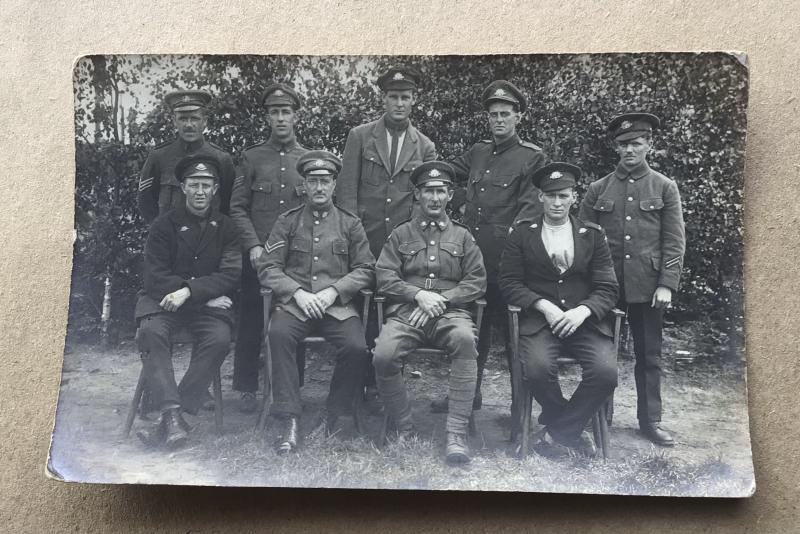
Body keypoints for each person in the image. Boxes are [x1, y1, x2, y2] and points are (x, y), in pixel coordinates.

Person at [433, 80, 546, 438]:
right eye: (493, 114)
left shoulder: (532, 157)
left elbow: (528, 215)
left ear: (518, 116)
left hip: (509, 267)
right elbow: (447, 171)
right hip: (474, 264)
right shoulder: (479, 152)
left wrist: (511, 263)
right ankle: (469, 400)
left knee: (516, 343)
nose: (498, 120)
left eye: (505, 114)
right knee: (475, 336)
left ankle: (519, 413)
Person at [256, 150, 376, 454]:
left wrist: (333, 292)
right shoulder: (287, 222)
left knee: (357, 347)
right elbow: (268, 267)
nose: (319, 187)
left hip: (336, 307)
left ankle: (335, 413)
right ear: (304, 185)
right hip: (296, 305)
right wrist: (297, 292)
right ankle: (289, 418)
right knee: (279, 334)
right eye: (313, 181)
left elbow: (366, 269)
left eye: (325, 181)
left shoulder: (350, 224)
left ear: (335, 184)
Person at [578, 113, 686, 447]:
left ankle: (650, 420)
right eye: (624, 144)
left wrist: (667, 282)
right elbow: (583, 240)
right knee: (600, 354)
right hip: (605, 288)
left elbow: (674, 240)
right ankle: (601, 415)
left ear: (649, 145)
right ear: (616, 147)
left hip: (648, 286)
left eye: (636, 143)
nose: (630, 150)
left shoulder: (664, 187)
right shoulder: (598, 189)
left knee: (649, 355)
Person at [499, 162, 619, 457]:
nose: (557, 202)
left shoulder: (592, 234)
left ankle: (557, 433)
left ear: (574, 197)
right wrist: (544, 306)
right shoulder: (522, 232)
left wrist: (583, 311)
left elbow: (608, 287)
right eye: (550, 195)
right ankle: (571, 429)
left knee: (605, 373)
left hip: (585, 323)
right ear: (540, 197)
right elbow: (509, 282)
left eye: (563, 196)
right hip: (540, 323)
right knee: (537, 371)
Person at [372, 161, 487, 464]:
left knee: (465, 341)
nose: (435, 198)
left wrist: (443, 300)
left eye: (441, 191)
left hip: (450, 314)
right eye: (428, 192)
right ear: (417, 196)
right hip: (408, 312)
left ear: (450, 195)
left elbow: (477, 281)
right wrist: (418, 295)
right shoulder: (400, 234)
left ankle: (456, 434)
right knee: (384, 354)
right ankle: (404, 427)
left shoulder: (463, 236)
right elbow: (384, 276)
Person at [337, 65, 437, 410]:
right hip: (363, 241)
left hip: (402, 248)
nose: (399, 103)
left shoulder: (424, 145)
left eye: (405, 97)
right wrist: (354, 238)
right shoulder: (360, 136)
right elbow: (347, 191)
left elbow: (425, 201)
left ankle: (383, 388)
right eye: (393, 97)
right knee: (360, 313)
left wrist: (410, 244)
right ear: (383, 98)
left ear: (414, 101)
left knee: (395, 314)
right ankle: (356, 385)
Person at [134, 154, 241, 449]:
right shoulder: (163, 225)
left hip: (201, 307)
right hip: (163, 303)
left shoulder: (228, 228)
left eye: (206, 185)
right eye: (194, 185)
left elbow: (230, 275)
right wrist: (197, 296)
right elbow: (154, 276)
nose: (200, 192)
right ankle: (172, 416)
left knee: (219, 339)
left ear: (216, 189)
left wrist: (189, 293)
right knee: (150, 332)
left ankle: (173, 415)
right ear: (183, 187)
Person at [229, 83, 309, 413]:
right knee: (251, 320)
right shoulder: (251, 158)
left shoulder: (306, 160)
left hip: (294, 260)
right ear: (267, 117)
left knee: (296, 319)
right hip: (258, 257)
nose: (280, 118)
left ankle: (292, 387)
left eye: (285, 112)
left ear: (295, 116)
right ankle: (247, 386)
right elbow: (236, 207)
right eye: (274, 112)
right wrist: (252, 246)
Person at [137, 90, 236, 224]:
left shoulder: (221, 159)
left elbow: (229, 205)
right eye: (183, 119)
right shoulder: (159, 157)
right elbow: (146, 202)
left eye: (194, 118)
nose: (189, 125)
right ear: (174, 121)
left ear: (205, 121)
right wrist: (161, 233)